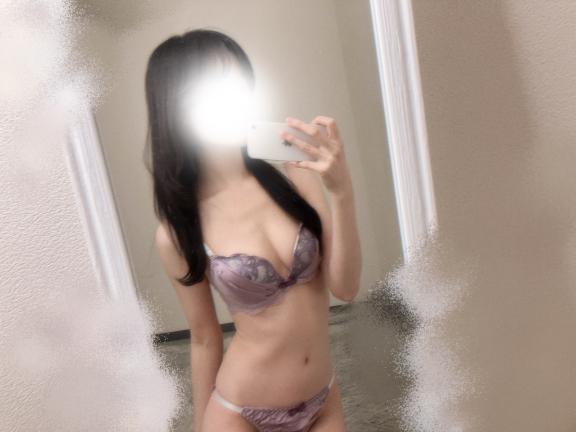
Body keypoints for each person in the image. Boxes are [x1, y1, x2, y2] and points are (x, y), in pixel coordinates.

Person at [145, 29, 362, 432]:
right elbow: (205, 338)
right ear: (177, 107)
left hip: (322, 398)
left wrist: (342, 191)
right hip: (240, 412)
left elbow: (345, 288)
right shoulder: (179, 230)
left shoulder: (293, 173)